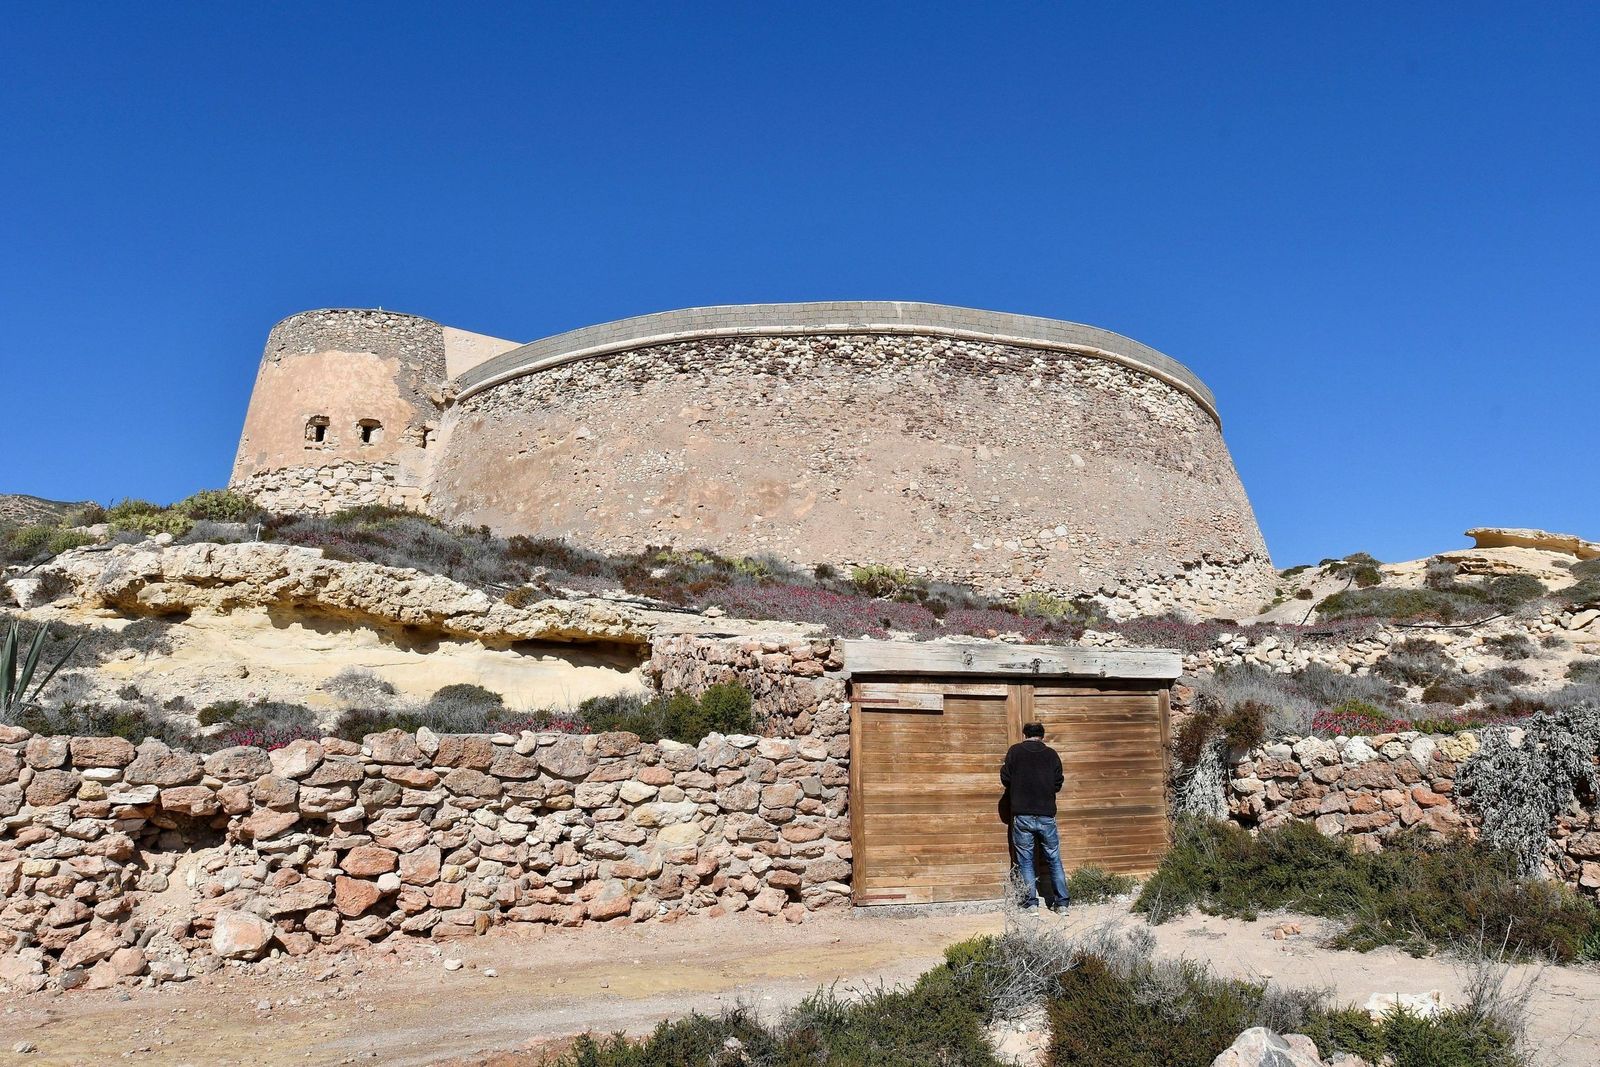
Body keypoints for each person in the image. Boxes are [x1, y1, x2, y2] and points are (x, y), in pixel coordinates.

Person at [1000, 721, 1070, 912]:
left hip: (1022, 814)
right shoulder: (1051, 754)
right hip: (1046, 814)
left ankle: (1031, 905)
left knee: (1025, 860)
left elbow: (1005, 778)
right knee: (1054, 859)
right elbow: (1058, 782)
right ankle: (1062, 903)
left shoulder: (1015, 752)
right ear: (1042, 735)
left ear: (1024, 734)